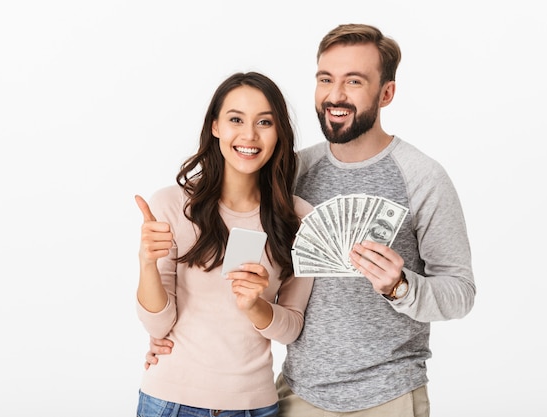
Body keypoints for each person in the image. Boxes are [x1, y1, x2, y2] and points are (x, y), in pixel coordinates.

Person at [146, 24, 476, 417]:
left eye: (354, 81)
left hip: (389, 396)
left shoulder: (422, 177)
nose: (335, 95)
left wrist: (401, 287)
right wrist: (169, 339)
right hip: (298, 395)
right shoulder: (291, 172)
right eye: (325, 79)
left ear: (386, 92)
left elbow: (461, 293)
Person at [134, 71, 314, 417]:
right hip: (172, 402)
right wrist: (146, 263)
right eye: (236, 119)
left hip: (255, 405)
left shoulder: (299, 218)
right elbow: (158, 325)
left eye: (264, 122)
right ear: (215, 126)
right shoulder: (172, 205)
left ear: (279, 133)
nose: (249, 135)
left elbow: (291, 327)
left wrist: (254, 305)